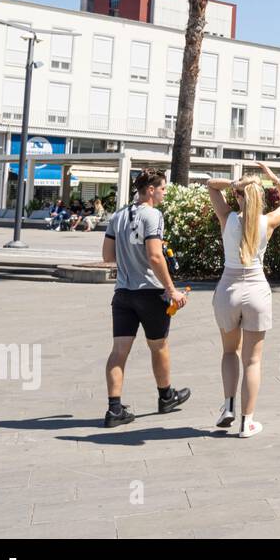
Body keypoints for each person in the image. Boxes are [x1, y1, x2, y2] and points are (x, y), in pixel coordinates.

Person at [207, 162, 280, 438]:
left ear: (239, 196)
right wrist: (272, 179)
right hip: (257, 289)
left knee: (229, 352)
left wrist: (235, 184)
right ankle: (247, 422)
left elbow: (210, 184)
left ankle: (228, 406)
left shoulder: (228, 217)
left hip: (228, 288)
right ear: (261, 196)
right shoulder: (267, 222)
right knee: (252, 361)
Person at [100, 169, 191, 428]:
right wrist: (172, 290)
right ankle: (166, 396)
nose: (164, 192)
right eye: (162, 188)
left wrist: (129, 259)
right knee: (158, 345)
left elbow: (107, 256)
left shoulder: (117, 216)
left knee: (119, 351)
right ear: (150, 190)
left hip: (123, 293)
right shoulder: (153, 215)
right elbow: (154, 256)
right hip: (150, 293)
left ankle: (114, 409)